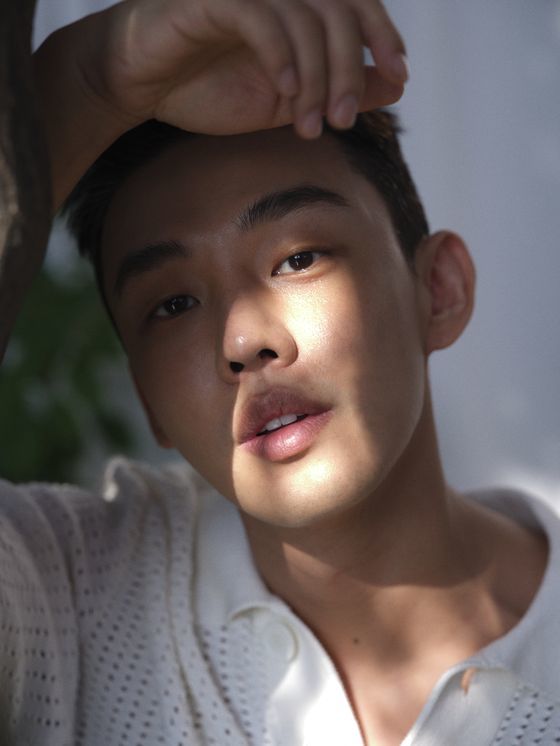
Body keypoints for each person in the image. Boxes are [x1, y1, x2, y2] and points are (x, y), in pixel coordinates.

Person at [1, 1, 558, 744]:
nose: (242, 340)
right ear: (147, 399)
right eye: (173, 304)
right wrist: (82, 87)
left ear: (438, 289)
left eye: (298, 258)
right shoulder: (62, 594)